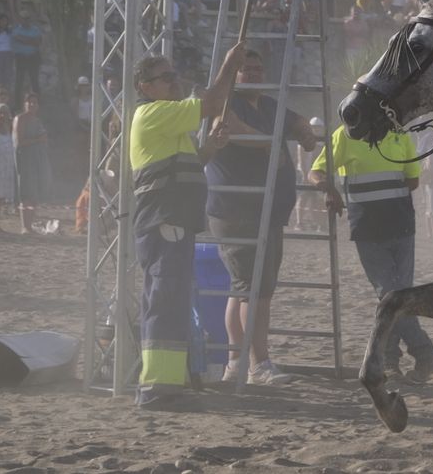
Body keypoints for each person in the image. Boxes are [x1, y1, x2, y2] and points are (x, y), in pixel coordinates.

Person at [127, 44, 243, 409]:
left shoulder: (168, 123)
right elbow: (211, 102)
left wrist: (210, 147)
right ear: (145, 87)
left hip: (172, 223)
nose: (174, 82)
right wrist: (229, 64)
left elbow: (189, 165)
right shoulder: (153, 113)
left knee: (172, 302)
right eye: (166, 78)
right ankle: (157, 388)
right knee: (165, 303)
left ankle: (166, 384)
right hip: (164, 222)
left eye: (175, 76)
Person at [204, 49, 319, 387]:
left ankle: (236, 363)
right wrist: (268, 143)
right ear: (234, 74)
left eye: (257, 69)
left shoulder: (268, 106)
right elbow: (231, 129)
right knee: (254, 291)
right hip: (237, 210)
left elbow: (296, 120)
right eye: (246, 69)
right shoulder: (226, 102)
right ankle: (259, 364)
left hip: (268, 212)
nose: (253, 74)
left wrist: (304, 133)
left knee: (245, 289)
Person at [309, 124, 433, 382]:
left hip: (400, 227)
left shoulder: (399, 134)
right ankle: (423, 354)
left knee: (395, 297)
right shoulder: (345, 135)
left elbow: (413, 179)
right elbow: (315, 172)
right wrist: (329, 189)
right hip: (369, 230)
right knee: (392, 296)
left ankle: (392, 361)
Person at [14, 93, 51, 229]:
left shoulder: (37, 120)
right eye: (29, 102)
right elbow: (19, 142)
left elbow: (44, 139)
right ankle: (25, 227)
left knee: (35, 193)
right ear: (24, 104)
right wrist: (38, 140)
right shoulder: (20, 119)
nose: (32, 105)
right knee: (26, 194)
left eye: (35, 102)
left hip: (38, 160)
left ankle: (29, 226)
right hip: (25, 160)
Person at [10, 9, 44, 99]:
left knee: (34, 80)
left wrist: (24, 39)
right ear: (20, 19)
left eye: (27, 18)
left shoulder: (35, 29)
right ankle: (17, 102)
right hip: (21, 58)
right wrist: (31, 40)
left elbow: (38, 42)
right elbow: (18, 38)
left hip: (33, 57)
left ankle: (37, 101)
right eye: (24, 18)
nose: (26, 20)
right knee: (19, 81)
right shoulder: (16, 30)